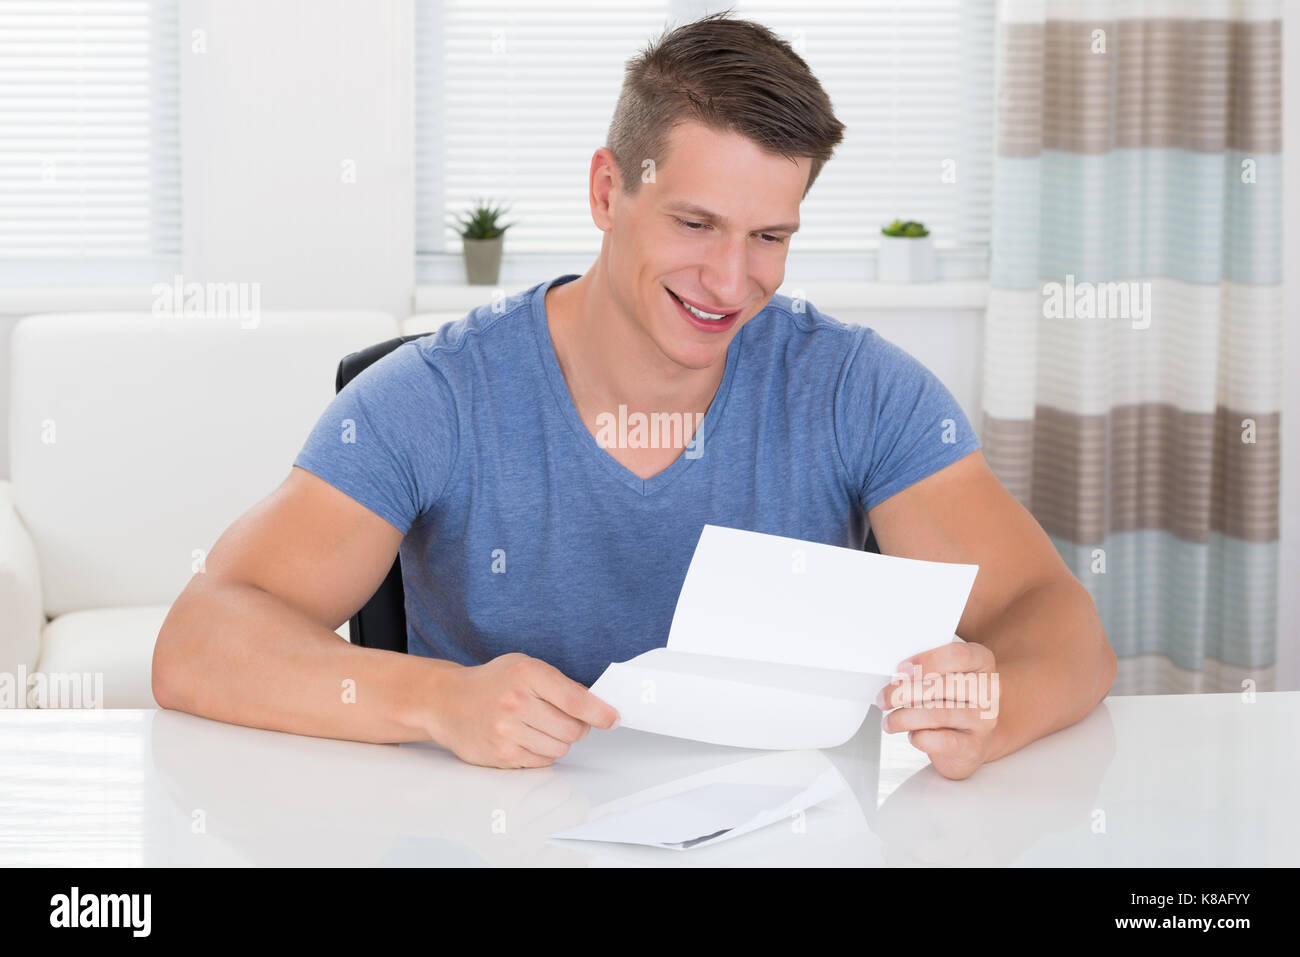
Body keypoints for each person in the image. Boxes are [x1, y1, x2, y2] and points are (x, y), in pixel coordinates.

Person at [153, 11, 1115, 780]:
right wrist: (436, 698)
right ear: (609, 191)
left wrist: (996, 707)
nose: (733, 281)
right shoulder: (435, 397)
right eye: (696, 223)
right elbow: (201, 639)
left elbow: (1052, 616)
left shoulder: (856, 387)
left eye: (770, 236)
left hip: (786, 834)